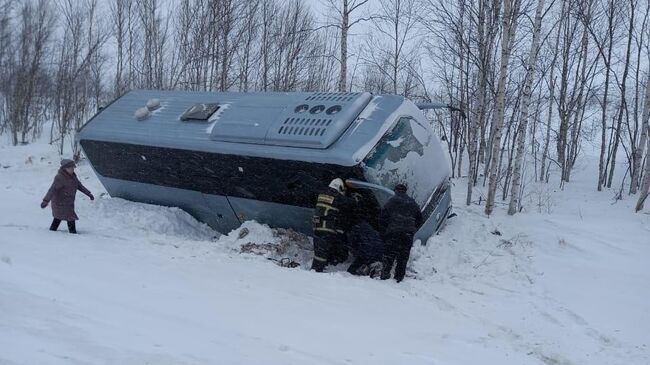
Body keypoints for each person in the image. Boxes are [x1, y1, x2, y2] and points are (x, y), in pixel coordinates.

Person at [379, 183, 422, 282]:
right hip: (407, 235)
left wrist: (384, 232)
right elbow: (419, 218)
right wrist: (412, 230)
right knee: (403, 257)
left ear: (395, 191)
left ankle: (385, 276)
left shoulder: (391, 201)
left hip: (393, 233)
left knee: (389, 256)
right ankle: (398, 279)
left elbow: (382, 218)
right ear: (405, 191)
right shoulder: (413, 202)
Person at [41, 159, 94, 234]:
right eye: (70, 168)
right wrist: (45, 201)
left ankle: (52, 231)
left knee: (58, 217)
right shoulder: (60, 178)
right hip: (59, 202)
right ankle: (73, 233)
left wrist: (89, 194)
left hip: (68, 202)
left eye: (73, 167)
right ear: (65, 168)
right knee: (70, 217)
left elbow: (80, 186)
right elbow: (52, 189)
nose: (72, 169)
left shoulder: (73, 177)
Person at [310, 178, 352, 272]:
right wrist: (356, 198)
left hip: (317, 227)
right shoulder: (335, 194)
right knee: (322, 253)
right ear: (339, 187)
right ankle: (317, 272)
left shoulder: (323, 193)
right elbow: (349, 203)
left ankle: (316, 268)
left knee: (319, 251)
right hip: (326, 228)